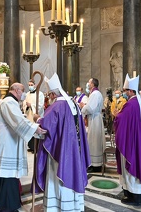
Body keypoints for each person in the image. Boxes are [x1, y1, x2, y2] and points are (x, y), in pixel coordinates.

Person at [0, 83, 47, 211]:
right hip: (6, 145)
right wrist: (36, 129)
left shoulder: (9, 102)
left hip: (6, 142)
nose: (24, 94)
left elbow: (18, 119)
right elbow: (18, 121)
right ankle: (6, 206)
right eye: (23, 90)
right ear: (17, 90)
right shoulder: (8, 102)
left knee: (4, 174)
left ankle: (3, 204)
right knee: (6, 174)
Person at [34, 73, 91, 211]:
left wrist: (37, 119)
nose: (49, 97)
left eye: (49, 94)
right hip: (74, 151)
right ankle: (74, 206)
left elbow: (46, 126)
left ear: (53, 94)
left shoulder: (57, 106)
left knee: (57, 177)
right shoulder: (73, 103)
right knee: (73, 173)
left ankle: (57, 207)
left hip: (61, 153)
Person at [114, 74, 141, 206]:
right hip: (140, 140)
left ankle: (134, 196)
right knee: (140, 163)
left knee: (131, 165)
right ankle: (140, 193)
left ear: (131, 91)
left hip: (131, 141)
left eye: (125, 90)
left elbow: (121, 120)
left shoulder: (131, 104)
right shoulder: (140, 102)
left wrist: (116, 115)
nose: (124, 93)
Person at [80, 78, 105, 172]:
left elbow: (90, 108)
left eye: (89, 82)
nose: (88, 83)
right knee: (93, 141)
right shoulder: (95, 94)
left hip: (95, 120)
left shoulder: (95, 94)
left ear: (93, 84)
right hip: (94, 119)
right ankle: (93, 163)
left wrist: (83, 107)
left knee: (94, 142)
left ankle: (95, 165)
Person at [22, 79, 45, 152]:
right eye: (29, 85)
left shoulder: (40, 94)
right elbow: (24, 103)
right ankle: (31, 147)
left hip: (36, 115)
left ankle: (36, 147)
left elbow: (40, 105)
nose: (30, 86)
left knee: (36, 129)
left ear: (35, 85)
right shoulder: (27, 94)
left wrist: (31, 105)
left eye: (31, 85)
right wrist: (27, 106)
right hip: (29, 115)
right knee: (30, 130)